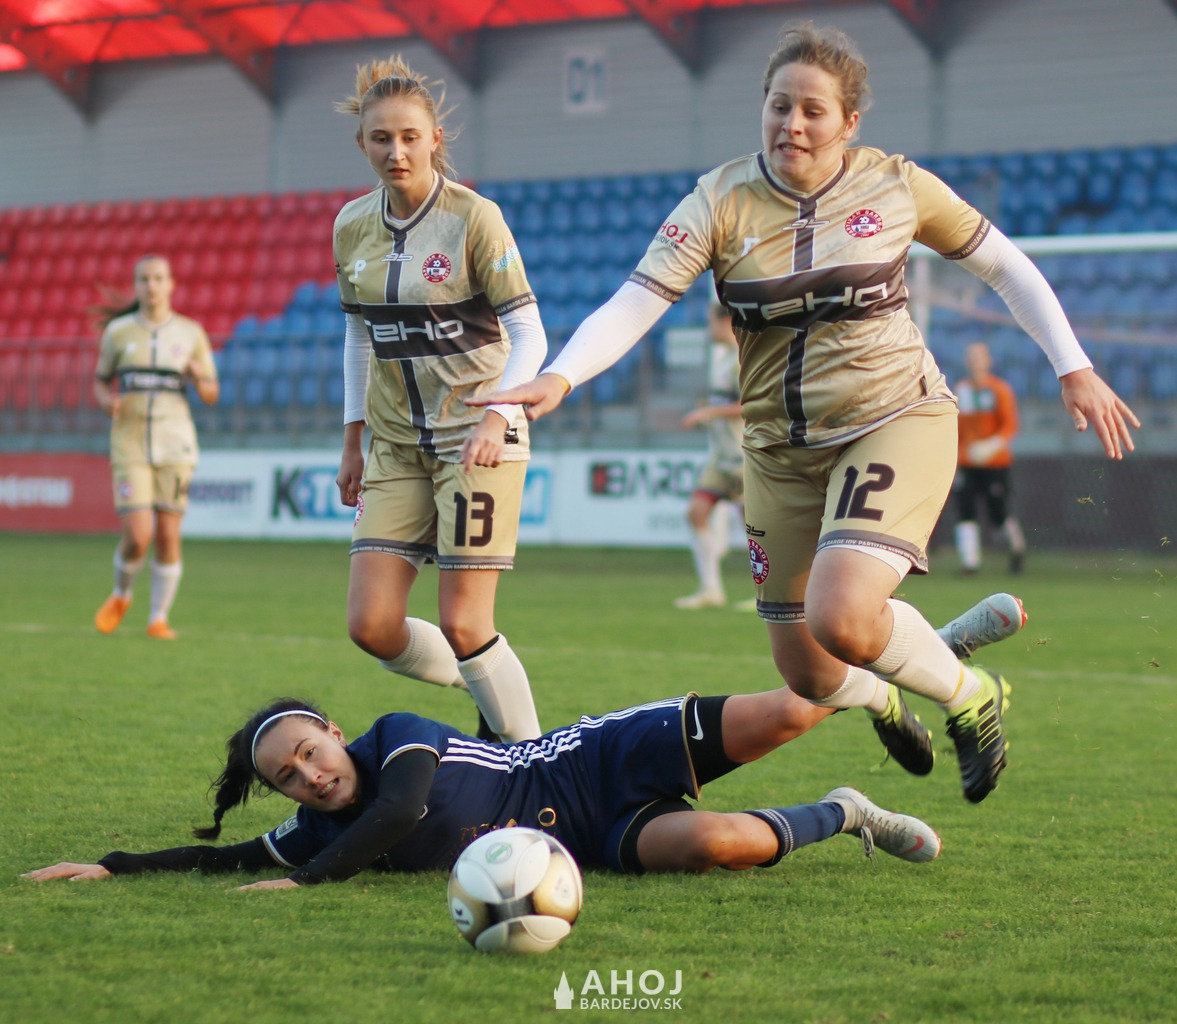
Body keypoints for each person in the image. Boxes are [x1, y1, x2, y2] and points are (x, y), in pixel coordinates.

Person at [469, 22, 1139, 803]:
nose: (791, 123)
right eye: (778, 105)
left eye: (812, 110)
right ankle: (885, 693)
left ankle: (968, 694)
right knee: (811, 671)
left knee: (842, 614)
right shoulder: (718, 199)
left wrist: (1072, 366)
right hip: (776, 451)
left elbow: (1004, 265)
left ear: (848, 122)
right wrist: (561, 377)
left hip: (892, 417)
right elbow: (636, 301)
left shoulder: (896, 185)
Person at [23, 684, 943, 889]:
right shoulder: (319, 828)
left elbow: (401, 813)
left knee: (787, 712)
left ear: (333, 732)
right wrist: (113, 866)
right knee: (716, 844)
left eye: (308, 752)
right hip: (590, 842)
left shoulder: (399, 740)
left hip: (594, 759)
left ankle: (889, 668)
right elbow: (223, 859)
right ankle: (846, 811)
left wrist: (308, 881)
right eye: (288, 779)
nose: (309, 775)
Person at [331, 57, 549, 743]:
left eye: (408, 137)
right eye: (380, 138)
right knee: (371, 626)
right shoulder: (350, 225)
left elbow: (529, 332)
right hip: (394, 446)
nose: (395, 151)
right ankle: (480, 679)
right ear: (362, 144)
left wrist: (499, 413)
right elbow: (359, 335)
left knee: (464, 622)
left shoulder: (474, 218)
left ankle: (536, 765)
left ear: (434, 139)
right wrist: (351, 439)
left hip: (474, 440)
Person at [92, 254, 219, 640]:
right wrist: (105, 400)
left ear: (171, 285)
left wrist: (199, 378)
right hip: (129, 444)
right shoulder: (118, 333)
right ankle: (121, 593)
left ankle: (158, 619)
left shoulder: (190, 332)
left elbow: (212, 393)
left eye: (159, 278)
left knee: (167, 535)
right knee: (137, 536)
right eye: (145, 279)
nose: (152, 285)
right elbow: (100, 380)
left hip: (175, 445)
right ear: (136, 286)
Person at [674, 303, 749, 609]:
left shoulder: (742, 360)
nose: (709, 329)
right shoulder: (724, 360)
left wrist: (709, 412)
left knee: (757, 528)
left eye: (711, 323)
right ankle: (711, 589)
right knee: (697, 512)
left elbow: (750, 406)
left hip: (744, 456)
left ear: (726, 321)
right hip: (722, 457)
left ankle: (771, 594)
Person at [954, 342, 1027, 575]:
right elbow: (955, 428)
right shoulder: (960, 390)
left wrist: (991, 446)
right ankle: (970, 563)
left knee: (998, 512)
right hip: (967, 462)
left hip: (995, 463)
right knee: (965, 509)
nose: (974, 362)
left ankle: (1017, 549)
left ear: (988, 361)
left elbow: (1010, 425)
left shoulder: (999, 390)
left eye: (978, 358)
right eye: (971, 358)